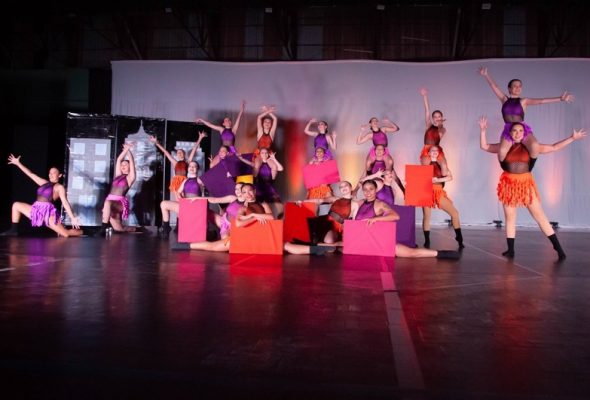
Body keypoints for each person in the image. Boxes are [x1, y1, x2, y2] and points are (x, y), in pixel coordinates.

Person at [479, 116, 585, 260]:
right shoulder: (503, 147)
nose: (517, 133)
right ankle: (511, 250)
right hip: (509, 185)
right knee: (510, 218)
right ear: (510, 133)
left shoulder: (530, 148)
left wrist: (572, 138)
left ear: (525, 133)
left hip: (525, 185)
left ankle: (558, 248)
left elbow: (553, 147)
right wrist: (483, 131)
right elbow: (484, 146)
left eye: (520, 131)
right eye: (514, 131)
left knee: (540, 217)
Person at [285, 180, 459, 259]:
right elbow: (344, 203)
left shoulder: (380, 204)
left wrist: (376, 220)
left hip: (376, 240)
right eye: (366, 189)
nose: (368, 192)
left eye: (371, 189)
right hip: (362, 240)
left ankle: (442, 253)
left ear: (375, 191)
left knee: (410, 253)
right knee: (335, 246)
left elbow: (395, 216)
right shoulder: (360, 202)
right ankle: (301, 246)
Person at [478, 66, 574, 160]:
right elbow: (494, 86)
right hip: (509, 129)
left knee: (534, 145)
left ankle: (528, 164)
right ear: (509, 89)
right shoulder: (504, 99)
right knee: (502, 151)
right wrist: (486, 75)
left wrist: (560, 99)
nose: (518, 88)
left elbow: (541, 101)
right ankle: (509, 167)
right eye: (515, 86)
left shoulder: (524, 101)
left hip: (521, 129)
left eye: (520, 86)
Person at [171, 183, 273, 252]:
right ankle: (204, 235)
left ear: (254, 191)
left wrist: (254, 216)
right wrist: (197, 198)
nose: (238, 191)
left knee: (218, 244)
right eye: (237, 189)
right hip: (224, 221)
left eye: (247, 191)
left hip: (237, 229)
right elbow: (214, 200)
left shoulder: (253, 204)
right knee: (206, 212)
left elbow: (271, 217)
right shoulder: (237, 201)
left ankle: (193, 243)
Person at [1, 154, 83, 237]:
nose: (50, 174)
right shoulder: (44, 183)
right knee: (16, 205)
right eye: (50, 173)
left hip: (47, 213)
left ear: (59, 175)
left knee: (65, 234)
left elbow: (65, 202)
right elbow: (30, 174)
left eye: (54, 173)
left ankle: (81, 232)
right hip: (36, 210)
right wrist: (18, 163)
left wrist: (72, 218)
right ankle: (14, 230)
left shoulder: (59, 187)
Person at [420, 146, 463, 249]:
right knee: (427, 216)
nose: (435, 152)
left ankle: (459, 237)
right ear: (428, 153)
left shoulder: (441, 164)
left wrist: (438, 180)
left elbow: (450, 177)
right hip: (426, 191)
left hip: (438, 191)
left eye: (436, 150)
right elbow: (417, 177)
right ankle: (427, 240)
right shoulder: (425, 164)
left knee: (455, 213)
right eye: (432, 150)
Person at [149, 131, 205, 199]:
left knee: (185, 198)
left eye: (181, 152)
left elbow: (194, 149)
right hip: (176, 181)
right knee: (178, 200)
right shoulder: (175, 162)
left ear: (184, 154)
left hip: (184, 181)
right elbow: (165, 152)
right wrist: (157, 143)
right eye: (178, 153)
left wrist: (200, 138)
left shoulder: (187, 162)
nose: (179, 153)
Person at [95, 143, 137, 235]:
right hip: (110, 201)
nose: (123, 166)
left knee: (107, 203)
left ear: (130, 167)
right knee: (119, 230)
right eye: (122, 165)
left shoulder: (130, 178)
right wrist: (125, 149)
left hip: (119, 203)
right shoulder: (118, 175)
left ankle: (103, 229)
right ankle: (128, 229)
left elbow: (132, 161)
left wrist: (128, 150)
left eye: (125, 164)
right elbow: (119, 159)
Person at [357, 118, 404, 192]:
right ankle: (369, 177)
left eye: (376, 120)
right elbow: (358, 142)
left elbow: (396, 129)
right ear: (370, 124)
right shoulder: (370, 134)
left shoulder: (383, 129)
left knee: (390, 162)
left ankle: (388, 179)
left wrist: (389, 122)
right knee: (368, 163)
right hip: (375, 151)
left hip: (383, 151)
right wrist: (361, 131)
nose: (375, 121)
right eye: (373, 121)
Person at [159, 161, 203, 237]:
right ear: (187, 169)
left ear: (197, 169)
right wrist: (182, 201)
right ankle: (166, 227)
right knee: (163, 204)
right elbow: (178, 192)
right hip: (186, 206)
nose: (192, 167)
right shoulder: (185, 180)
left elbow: (205, 192)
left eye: (194, 166)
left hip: (195, 207)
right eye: (190, 166)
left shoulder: (200, 180)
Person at [419, 88, 447, 166]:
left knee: (444, 166)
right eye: (435, 117)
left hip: (436, 150)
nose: (437, 118)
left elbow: (440, 132)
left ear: (441, 117)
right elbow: (427, 111)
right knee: (425, 168)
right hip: (427, 149)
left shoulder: (443, 129)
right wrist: (425, 96)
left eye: (439, 116)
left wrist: (440, 124)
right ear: (433, 118)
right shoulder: (429, 125)